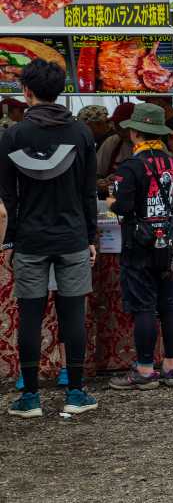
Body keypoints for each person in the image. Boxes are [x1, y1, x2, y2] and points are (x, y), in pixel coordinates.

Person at [0, 59, 99, 418]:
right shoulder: (81, 134)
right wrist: (91, 236)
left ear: (26, 92)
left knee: (29, 313)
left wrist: (9, 241)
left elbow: (6, 199)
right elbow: (90, 192)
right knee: (72, 313)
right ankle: (75, 392)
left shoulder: (12, 136)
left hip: (29, 240)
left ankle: (30, 399)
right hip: (72, 237)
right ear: (60, 90)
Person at [105, 102, 173, 390]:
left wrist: (111, 202)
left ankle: (145, 369)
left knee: (144, 307)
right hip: (172, 247)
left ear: (134, 133)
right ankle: (171, 366)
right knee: (169, 305)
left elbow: (122, 206)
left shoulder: (131, 167)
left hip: (141, 245)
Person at [97, 102, 136, 189]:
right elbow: (97, 173)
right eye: (117, 128)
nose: (120, 132)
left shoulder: (153, 144)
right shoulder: (113, 141)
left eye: (124, 128)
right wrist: (100, 182)